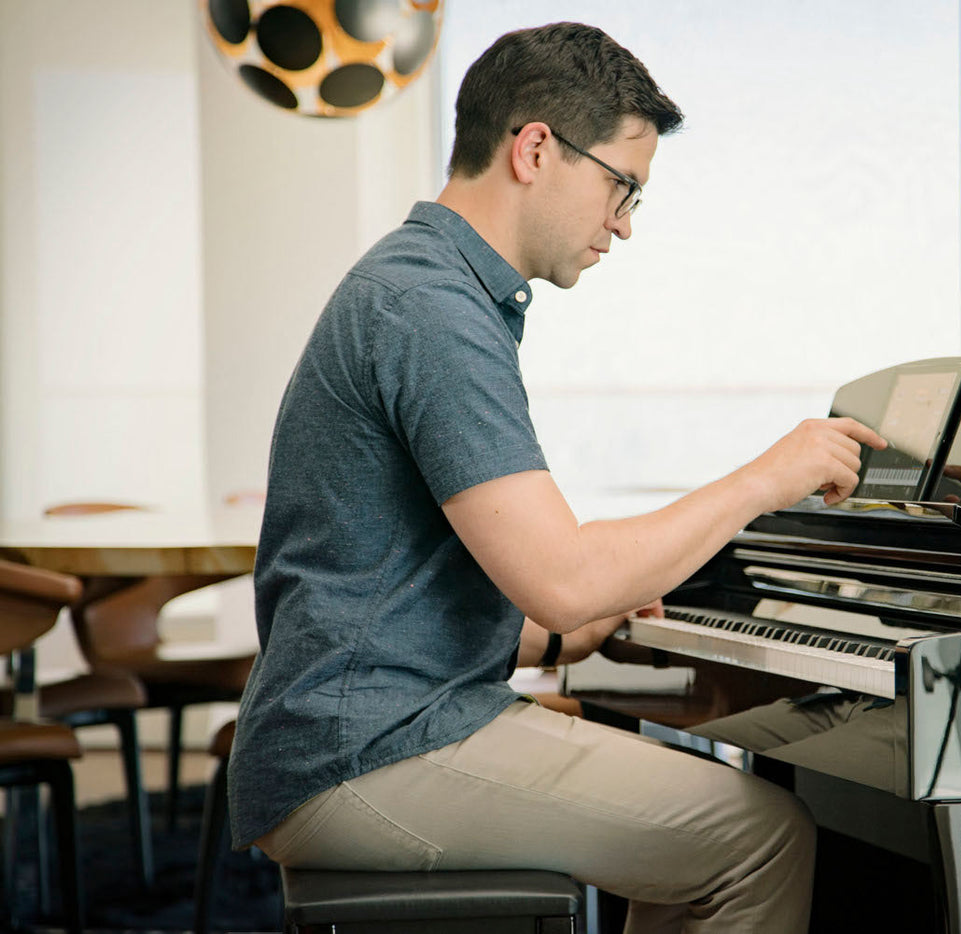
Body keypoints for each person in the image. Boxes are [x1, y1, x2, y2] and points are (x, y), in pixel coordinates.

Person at [226, 21, 884, 934]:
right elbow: (564, 576)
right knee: (758, 834)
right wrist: (767, 477)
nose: (622, 225)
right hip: (366, 752)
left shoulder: (428, 287)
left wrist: (555, 639)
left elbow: (399, 588)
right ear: (536, 148)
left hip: (354, 726)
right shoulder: (431, 308)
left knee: (693, 810)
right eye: (622, 187)